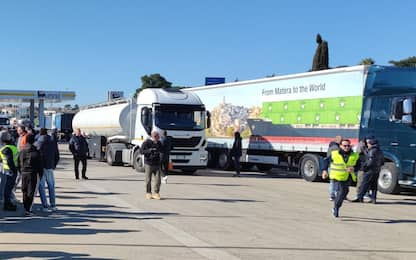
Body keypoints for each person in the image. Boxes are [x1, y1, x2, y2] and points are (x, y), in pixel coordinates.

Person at [322, 139, 360, 218]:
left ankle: (336, 206)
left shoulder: (355, 155)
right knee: (341, 191)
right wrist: (324, 171)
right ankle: (336, 208)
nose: (347, 147)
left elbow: (359, 165)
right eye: (344, 146)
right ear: (340, 146)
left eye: (348, 146)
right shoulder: (334, 154)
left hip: (347, 177)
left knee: (345, 192)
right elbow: (326, 161)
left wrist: (354, 168)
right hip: (337, 177)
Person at [352, 139, 384, 204]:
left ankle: (360, 197)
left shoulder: (372, 151)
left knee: (364, 184)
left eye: (368, 144)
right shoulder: (380, 151)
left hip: (370, 170)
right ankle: (373, 199)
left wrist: (364, 167)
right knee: (374, 185)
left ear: (371, 144)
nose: (367, 145)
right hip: (377, 170)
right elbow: (382, 161)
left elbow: (370, 161)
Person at [18, 134, 43, 215]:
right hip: (32, 173)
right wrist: (40, 174)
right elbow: (40, 165)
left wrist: (20, 171)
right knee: (31, 191)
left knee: (24, 190)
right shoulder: (36, 151)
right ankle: (28, 209)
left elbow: (18, 163)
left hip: (24, 172)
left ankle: (26, 207)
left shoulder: (22, 151)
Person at [36, 128, 60, 212]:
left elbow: (36, 156)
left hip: (41, 167)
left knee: (41, 187)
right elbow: (57, 155)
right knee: (51, 186)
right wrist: (54, 165)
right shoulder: (53, 142)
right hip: (50, 166)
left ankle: (45, 205)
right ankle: (53, 205)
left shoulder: (38, 143)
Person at [140, 131, 162, 200]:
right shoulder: (147, 142)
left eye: (158, 137)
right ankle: (148, 193)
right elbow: (141, 151)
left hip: (157, 163)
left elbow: (162, 150)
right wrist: (149, 151)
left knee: (158, 179)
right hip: (149, 163)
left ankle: (156, 193)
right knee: (148, 179)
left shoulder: (159, 143)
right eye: (158, 137)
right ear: (154, 136)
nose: (159, 138)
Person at [0, 130, 19, 211]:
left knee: (7, 187)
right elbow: (9, 161)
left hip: (7, 170)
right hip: (10, 171)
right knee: (8, 188)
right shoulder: (9, 148)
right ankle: (7, 204)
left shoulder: (5, 148)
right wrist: (14, 170)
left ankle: (7, 203)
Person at [326, 135, 342, 200]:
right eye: (341, 140)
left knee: (332, 182)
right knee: (336, 182)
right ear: (337, 140)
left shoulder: (331, 146)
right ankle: (334, 194)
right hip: (334, 167)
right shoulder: (336, 148)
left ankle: (332, 195)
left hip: (330, 166)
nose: (342, 141)